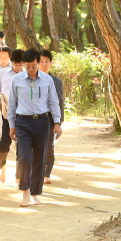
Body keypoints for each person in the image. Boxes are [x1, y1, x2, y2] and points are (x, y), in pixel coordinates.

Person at [8, 49, 62, 207]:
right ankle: (24, 192)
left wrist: (57, 123)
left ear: (38, 63)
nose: (31, 70)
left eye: (33, 66)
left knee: (40, 157)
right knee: (24, 156)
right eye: (28, 66)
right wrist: (12, 125)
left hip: (42, 122)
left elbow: (54, 102)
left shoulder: (47, 80)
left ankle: (35, 194)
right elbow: (12, 104)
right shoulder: (17, 80)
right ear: (23, 65)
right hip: (22, 122)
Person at [0, 49, 24, 184]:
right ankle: (2, 167)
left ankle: (18, 177)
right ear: (11, 63)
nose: (18, 68)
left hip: (23, 115)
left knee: (21, 147)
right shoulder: (2, 73)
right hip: (6, 115)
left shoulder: (27, 75)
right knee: (4, 145)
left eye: (21, 65)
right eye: (16, 65)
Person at [39, 50, 65, 185]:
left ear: (51, 63)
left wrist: (59, 122)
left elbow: (60, 101)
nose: (44, 64)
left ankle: (46, 173)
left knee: (49, 146)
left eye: (46, 62)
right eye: (41, 61)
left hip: (50, 118)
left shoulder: (56, 82)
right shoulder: (31, 80)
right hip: (35, 117)